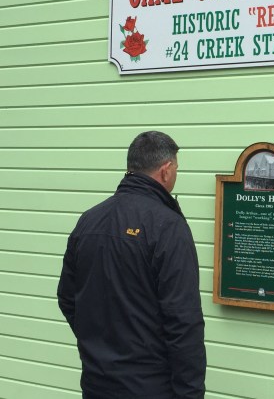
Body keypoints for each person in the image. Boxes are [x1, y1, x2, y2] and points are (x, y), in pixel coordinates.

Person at [57, 131, 206, 399]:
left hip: (96, 383)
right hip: (150, 388)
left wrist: (99, 346)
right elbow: (184, 322)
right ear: (166, 170)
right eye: (177, 169)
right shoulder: (169, 227)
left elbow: (68, 298)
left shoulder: (88, 221)